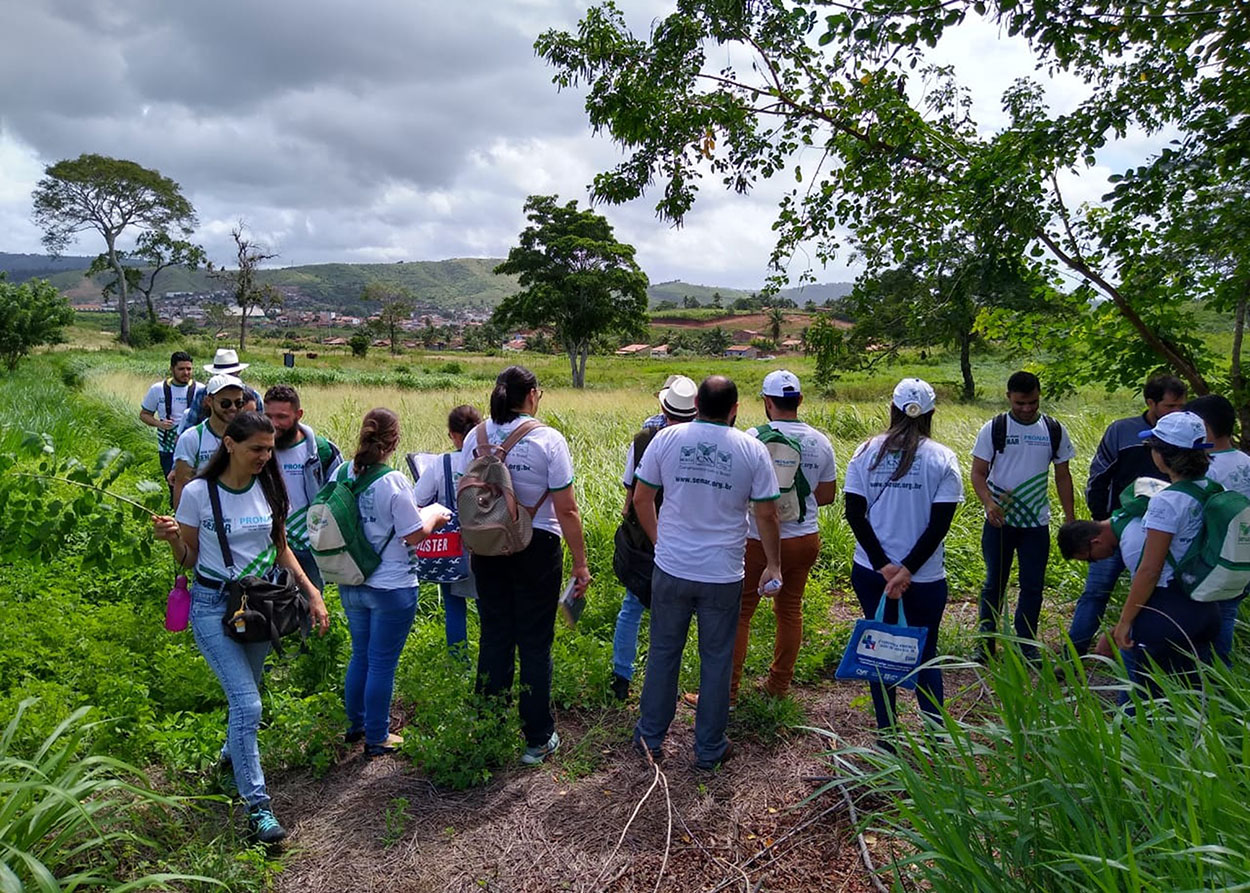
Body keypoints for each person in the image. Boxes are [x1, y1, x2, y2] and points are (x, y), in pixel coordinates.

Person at [152, 411, 330, 844]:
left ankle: (229, 762)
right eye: (256, 449)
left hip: (259, 607)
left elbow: (282, 550)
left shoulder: (268, 488)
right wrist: (174, 537)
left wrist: (312, 592)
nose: (265, 457)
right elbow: (189, 560)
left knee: (245, 698)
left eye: (269, 449)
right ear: (229, 444)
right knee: (248, 706)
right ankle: (259, 808)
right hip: (213, 606)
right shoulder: (197, 492)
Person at [632, 375, 782, 769]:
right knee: (716, 660)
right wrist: (773, 563)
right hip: (722, 572)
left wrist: (660, 540)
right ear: (735, 409)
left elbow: (641, 497)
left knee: (664, 653)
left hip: (672, 567)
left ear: (696, 402)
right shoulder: (751, 450)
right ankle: (709, 748)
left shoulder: (666, 439)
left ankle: (650, 738)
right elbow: (766, 513)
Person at [460, 366, 590, 765]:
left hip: (486, 546)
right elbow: (566, 510)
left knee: (495, 635)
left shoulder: (474, 436)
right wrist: (580, 565)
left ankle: (488, 729)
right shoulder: (547, 439)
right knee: (534, 642)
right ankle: (537, 737)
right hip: (537, 546)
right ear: (532, 394)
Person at [1058, 411, 1220, 696]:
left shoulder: (1165, 502)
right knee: (1193, 697)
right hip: (1206, 605)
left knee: (1139, 702)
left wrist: (1123, 625)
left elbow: (1149, 572)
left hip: (1168, 610)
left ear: (1164, 454)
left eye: (1153, 446)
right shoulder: (1210, 488)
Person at [843, 378, 963, 740]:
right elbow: (939, 524)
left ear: (892, 409)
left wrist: (884, 567)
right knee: (927, 652)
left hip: (871, 574)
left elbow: (854, 513)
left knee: (879, 653)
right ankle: (935, 739)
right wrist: (907, 570)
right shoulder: (943, 458)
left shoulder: (865, 452)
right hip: (924, 578)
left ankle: (888, 736)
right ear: (931, 414)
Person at [339, 408, 450, 757]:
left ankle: (356, 724)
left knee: (361, 655)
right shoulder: (392, 481)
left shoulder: (343, 473)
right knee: (382, 661)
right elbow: (414, 534)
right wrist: (434, 513)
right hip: (392, 585)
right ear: (395, 441)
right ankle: (377, 736)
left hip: (352, 579)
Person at [728, 370, 837, 701]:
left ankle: (728, 692)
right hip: (804, 539)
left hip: (758, 540)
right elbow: (828, 495)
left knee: (741, 612)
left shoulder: (751, 437)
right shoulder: (820, 441)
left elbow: (737, 490)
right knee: (790, 609)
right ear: (800, 400)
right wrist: (797, 501)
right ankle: (778, 687)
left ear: (767, 402)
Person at [1067, 374, 1188, 655]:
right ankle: (1072, 656)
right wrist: (1102, 521)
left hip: (1161, 530)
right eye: (1170, 407)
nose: (1177, 412)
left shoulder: (1184, 436)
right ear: (1151, 403)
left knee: (1155, 589)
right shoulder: (1122, 431)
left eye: (1181, 406)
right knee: (1095, 593)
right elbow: (1098, 476)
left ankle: (1141, 651)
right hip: (1114, 527)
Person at [972, 371, 1076, 660]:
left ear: (1039, 395)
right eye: (1020, 403)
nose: (1027, 408)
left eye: (1032, 402)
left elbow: (1063, 476)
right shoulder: (994, 428)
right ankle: (985, 642)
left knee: (1033, 585)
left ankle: (1025, 644)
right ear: (1008, 398)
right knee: (995, 583)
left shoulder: (1054, 430)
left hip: (1036, 524)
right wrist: (989, 503)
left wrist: (1070, 519)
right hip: (1000, 522)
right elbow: (978, 473)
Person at [610, 374, 698, 701]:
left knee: (631, 606)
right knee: (673, 613)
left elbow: (632, 495)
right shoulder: (702, 442)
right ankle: (664, 686)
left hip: (646, 537)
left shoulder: (644, 438)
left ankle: (621, 676)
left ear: (663, 406)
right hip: (686, 536)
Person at [413, 404, 483, 655]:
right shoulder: (489, 460)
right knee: (489, 604)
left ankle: (458, 660)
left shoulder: (440, 463)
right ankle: (490, 659)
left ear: (453, 434)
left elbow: (418, 498)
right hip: (487, 541)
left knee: (454, 605)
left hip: (452, 545)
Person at [1186, 394, 1250, 663]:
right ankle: (1219, 675)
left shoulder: (1205, 470)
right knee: (1227, 613)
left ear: (1204, 427)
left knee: (1204, 618)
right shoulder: (1246, 461)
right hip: (1243, 557)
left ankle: (1204, 673)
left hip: (1213, 558)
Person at [262, 385, 343, 591]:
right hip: (267, 543)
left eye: (281, 417)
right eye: (268, 416)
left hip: (310, 545)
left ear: (299, 414)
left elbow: (340, 497)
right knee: (270, 605)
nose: (274, 424)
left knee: (311, 603)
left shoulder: (322, 451)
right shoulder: (258, 449)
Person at [171, 374, 247, 509]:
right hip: (204, 513)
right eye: (225, 403)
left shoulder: (248, 436)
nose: (233, 408)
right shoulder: (192, 438)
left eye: (239, 403)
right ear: (209, 401)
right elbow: (182, 485)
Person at [140, 351, 200, 498]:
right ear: (172, 369)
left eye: (189, 369)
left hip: (194, 447)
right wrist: (159, 424)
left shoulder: (200, 390)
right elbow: (144, 414)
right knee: (174, 485)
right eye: (181, 369)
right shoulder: (157, 389)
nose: (186, 373)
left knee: (194, 486)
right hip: (168, 448)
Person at [178, 349, 263, 434]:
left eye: (238, 403)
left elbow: (261, 428)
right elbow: (190, 425)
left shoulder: (254, 396)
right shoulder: (202, 394)